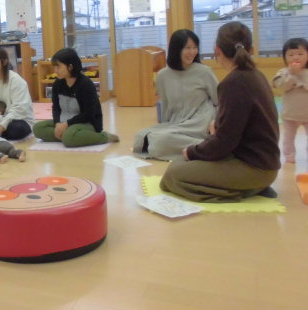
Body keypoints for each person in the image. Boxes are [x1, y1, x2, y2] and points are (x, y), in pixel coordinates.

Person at [160, 22, 280, 202]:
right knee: (179, 162)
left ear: (217, 51)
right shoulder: (256, 75)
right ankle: (248, 185)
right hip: (263, 163)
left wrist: (192, 152)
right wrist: (216, 125)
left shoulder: (233, 82)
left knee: (172, 175)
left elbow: (225, 142)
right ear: (251, 49)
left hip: (254, 168)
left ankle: (245, 190)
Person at [133, 29, 218, 160]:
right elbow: (166, 106)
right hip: (176, 122)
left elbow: (220, 101)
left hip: (200, 122)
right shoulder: (162, 75)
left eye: (195, 47)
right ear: (176, 49)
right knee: (141, 136)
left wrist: (216, 123)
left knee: (159, 141)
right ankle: (204, 146)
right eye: (187, 48)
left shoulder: (204, 72)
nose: (192, 52)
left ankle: (209, 147)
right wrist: (165, 126)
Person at [33, 48, 118, 147]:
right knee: (38, 128)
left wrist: (66, 124)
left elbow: (89, 114)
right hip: (64, 122)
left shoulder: (86, 84)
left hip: (86, 123)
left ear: (70, 67)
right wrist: (57, 124)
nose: (55, 70)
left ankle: (103, 137)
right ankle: (71, 137)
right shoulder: (57, 84)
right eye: (55, 67)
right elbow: (56, 108)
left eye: (58, 67)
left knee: (69, 137)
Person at [272, 37, 308, 163]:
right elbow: (281, 86)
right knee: (288, 138)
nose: (295, 57)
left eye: (300, 54)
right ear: (285, 57)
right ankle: (289, 156)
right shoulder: (283, 72)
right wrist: (292, 75)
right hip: (290, 115)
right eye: (291, 55)